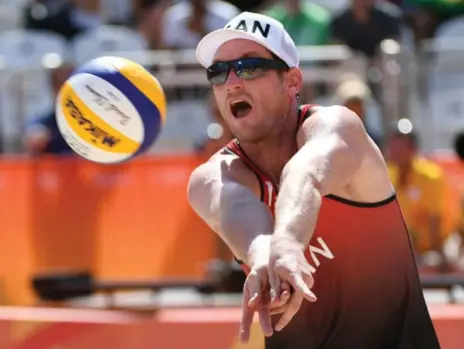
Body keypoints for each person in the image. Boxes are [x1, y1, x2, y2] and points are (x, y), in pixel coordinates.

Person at [188, 11, 440, 349]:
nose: (232, 82)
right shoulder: (210, 178)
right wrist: (266, 258)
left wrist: (289, 243)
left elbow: (305, 173)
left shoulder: (339, 127)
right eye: (218, 72)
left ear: (292, 81)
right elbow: (243, 217)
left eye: (249, 67)